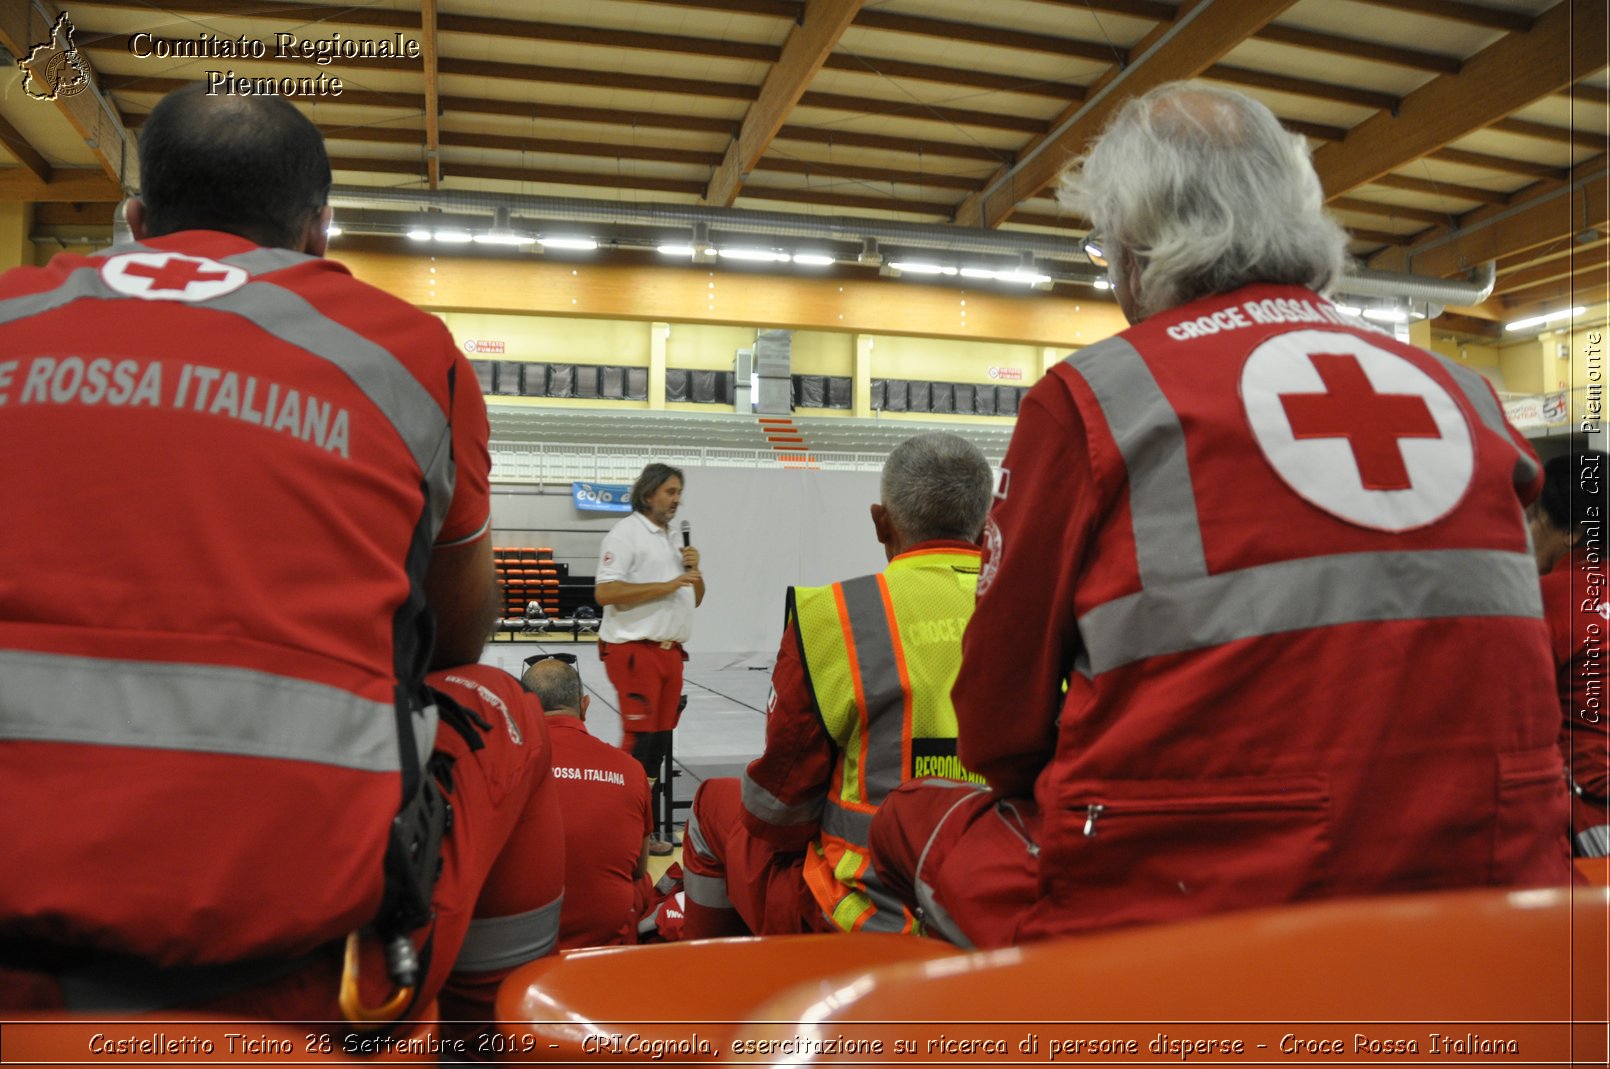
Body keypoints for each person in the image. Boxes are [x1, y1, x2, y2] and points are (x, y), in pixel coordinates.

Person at [869, 81, 1574, 950]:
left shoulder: (1095, 399)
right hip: (1499, 887)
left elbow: (996, 726)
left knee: (908, 817)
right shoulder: (1470, 398)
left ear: (1132, 247)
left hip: (1194, 911)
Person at [0, 83, 551, 1025]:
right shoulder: (408, 350)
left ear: (135, 220)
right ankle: (495, 1019)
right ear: (318, 231)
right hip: (288, 943)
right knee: (508, 706)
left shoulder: (15, 310)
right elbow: (460, 633)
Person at [681, 432, 993, 939]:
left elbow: (777, 813)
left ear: (880, 521)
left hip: (869, 917)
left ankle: (705, 993)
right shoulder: (1044, 612)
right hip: (1006, 909)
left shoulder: (835, 616)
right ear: (986, 524)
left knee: (711, 804)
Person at [594, 462, 704, 852]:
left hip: (669, 653)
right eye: (670, 492)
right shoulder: (625, 535)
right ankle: (614, 830)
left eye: (679, 492)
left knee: (657, 746)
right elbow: (606, 594)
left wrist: (693, 572)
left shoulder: (673, 540)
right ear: (648, 494)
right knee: (639, 744)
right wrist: (671, 582)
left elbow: (694, 596)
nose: (677, 499)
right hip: (634, 651)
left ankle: (643, 833)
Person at [520, 655, 655, 948]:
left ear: (523, 710)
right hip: (604, 943)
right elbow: (639, 868)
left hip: (521, 946)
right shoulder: (631, 769)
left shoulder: (499, 765)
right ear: (585, 706)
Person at [1529, 450, 1609, 856]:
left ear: (1573, 532)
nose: (1528, 532)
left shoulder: (1547, 599)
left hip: (1591, 816)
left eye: (1535, 519)